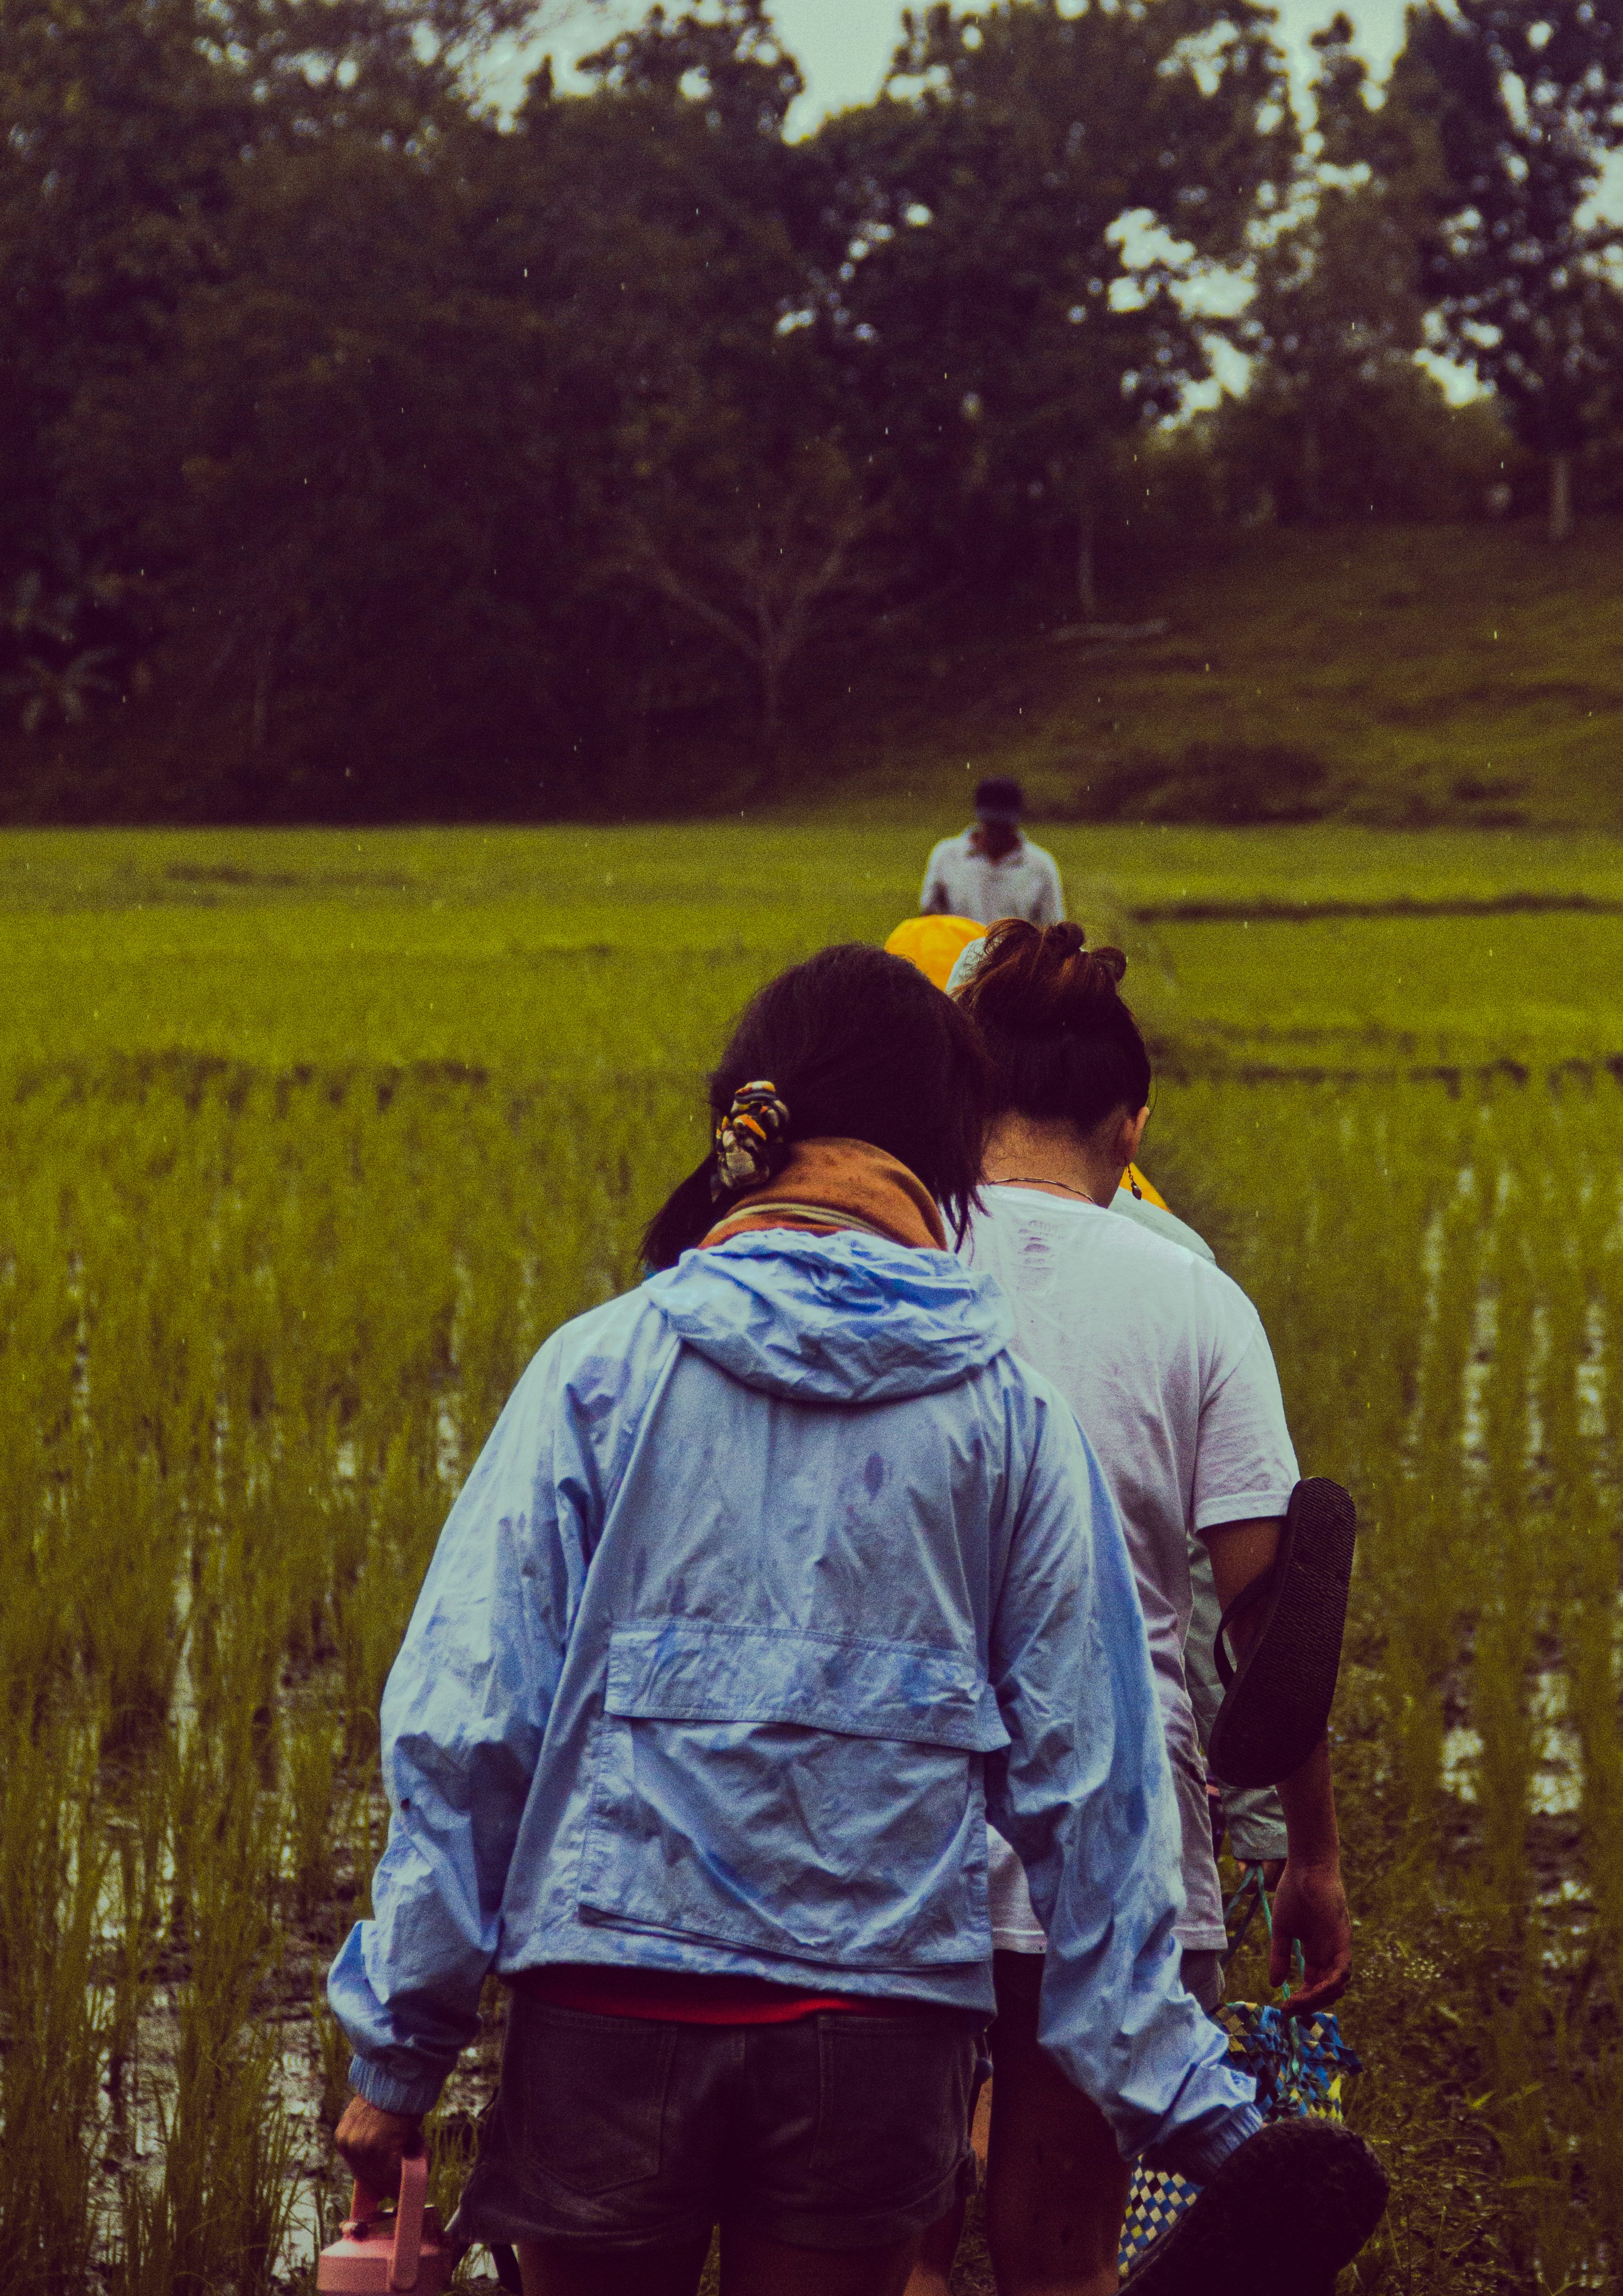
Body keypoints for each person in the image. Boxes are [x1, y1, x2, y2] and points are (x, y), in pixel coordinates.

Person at [326, 942, 1383, 2296]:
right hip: (877, 2032)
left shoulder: (603, 1367)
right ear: (943, 1147)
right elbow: (1092, 1782)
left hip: (609, 2003)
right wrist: (1197, 2105)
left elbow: (471, 1727)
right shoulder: (1009, 1416)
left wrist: (401, 2050)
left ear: (755, 1123)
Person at [914, 920, 1352, 2296]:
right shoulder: (1190, 1295)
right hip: (1115, 1846)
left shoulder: (885, 1264)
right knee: (1066, 2260)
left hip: (881, 1841)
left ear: (963, 1104)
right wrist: (1310, 1853)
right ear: (1132, 1119)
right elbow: (1264, 1628)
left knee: (894, 2255)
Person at [919, 778, 1063, 929]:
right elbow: (929, 920)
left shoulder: (1040, 865)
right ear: (980, 819)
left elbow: (1052, 929)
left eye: (1004, 826)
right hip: (957, 950)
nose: (997, 833)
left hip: (1015, 952)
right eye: (991, 825)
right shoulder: (946, 855)